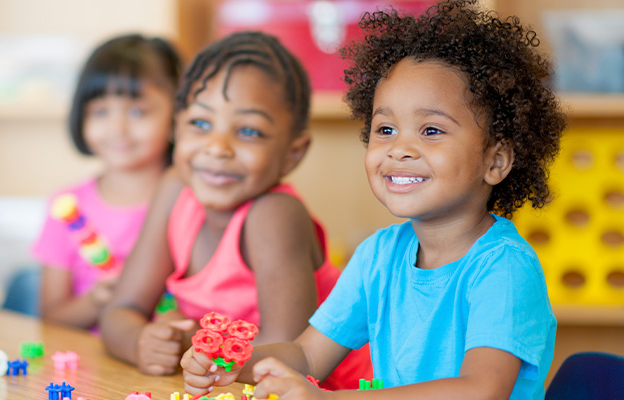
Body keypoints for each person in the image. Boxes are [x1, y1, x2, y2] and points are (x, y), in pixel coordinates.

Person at [181, 1, 565, 399]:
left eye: (431, 130)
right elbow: (308, 356)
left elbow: (480, 390)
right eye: (385, 129)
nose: (399, 149)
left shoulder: (503, 267)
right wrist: (231, 364)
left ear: (496, 160)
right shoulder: (379, 256)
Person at [100, 31, 371, 389]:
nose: (217, 148)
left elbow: (285, 359)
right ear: (175, 128)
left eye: (248, 131)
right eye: (200, 123)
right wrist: (142, 343)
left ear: (293, 152)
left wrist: (190, 345)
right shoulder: (174, 190)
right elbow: (120, 312)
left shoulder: (275, 214)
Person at [28, 34, 181, 330]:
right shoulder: (68, 206)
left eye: (138, 111)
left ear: (176, 118)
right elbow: (51, 318)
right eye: (100, 112)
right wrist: (97, 301)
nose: (117, 128)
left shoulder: (192, 204)